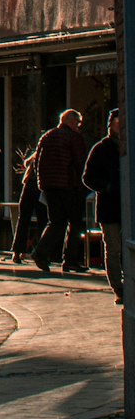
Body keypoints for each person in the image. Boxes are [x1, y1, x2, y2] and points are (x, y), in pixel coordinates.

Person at [32, 108, 88, 273]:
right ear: (71, 122)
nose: (79, 127)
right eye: (77, 123)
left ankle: (41, 252)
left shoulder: (47, 136)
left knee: (56, 221)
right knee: (75, 222)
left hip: (49, 185)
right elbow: (80, 162)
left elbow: (36, 161)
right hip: (68, 185)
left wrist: (42, 182)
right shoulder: (73, 137)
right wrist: (84, 183)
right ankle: (69, 259)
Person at [84, 107, 124, 302]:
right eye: (117, 123)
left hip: (127, 207)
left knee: (126, 248)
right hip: (110, 207)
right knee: (113, 248)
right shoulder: (101, 149)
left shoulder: (128, 145)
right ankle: (119, 287)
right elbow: (88, 177)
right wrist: (106, 187)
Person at [10, 149, 42, 263]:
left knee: (23, 220)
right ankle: (41, 252)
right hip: (40, 188)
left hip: (28, 186)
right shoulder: (49, 154)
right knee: (43, 220)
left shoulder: (35, 156)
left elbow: (26, 163)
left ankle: (17, 252)